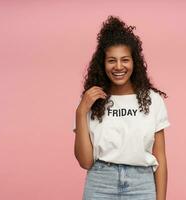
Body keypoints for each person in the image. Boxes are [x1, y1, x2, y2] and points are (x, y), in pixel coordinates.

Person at [73, 15, 171, 200]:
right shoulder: (90, 101)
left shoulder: (153, 100)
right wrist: (80, 111)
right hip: (100, 182)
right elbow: (85, 161)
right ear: (103, 64)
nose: (119, 66)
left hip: (142, 184)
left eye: (125, 59)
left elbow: (161, 158)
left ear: (134, 62)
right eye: (112, 60)